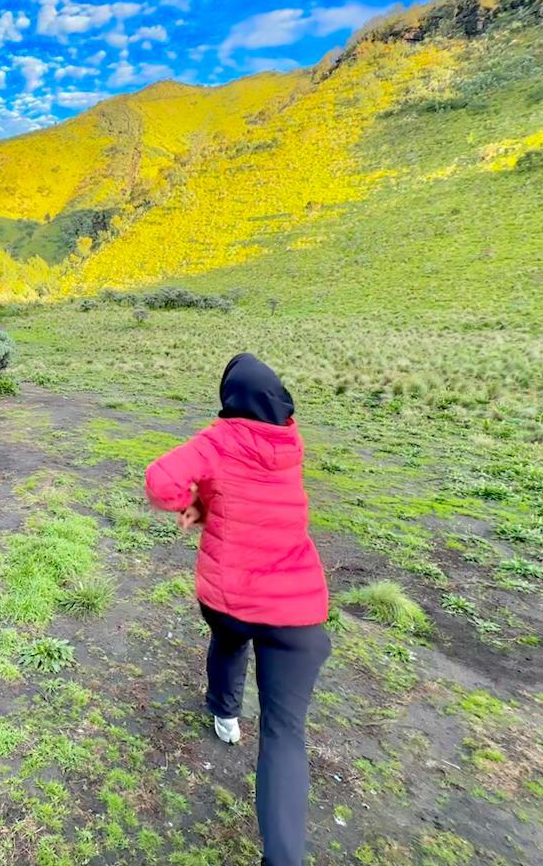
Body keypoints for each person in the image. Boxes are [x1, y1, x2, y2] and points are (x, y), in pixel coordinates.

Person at [144, 353, 330, 866]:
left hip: (231, 600)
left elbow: (161, 482)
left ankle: (225, 713)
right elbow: (244, 488)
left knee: (227, 637)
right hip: (297, 614)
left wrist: (190, 498)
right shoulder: (289, 444)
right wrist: (207, 499)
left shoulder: (218, 439)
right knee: (285, 735)